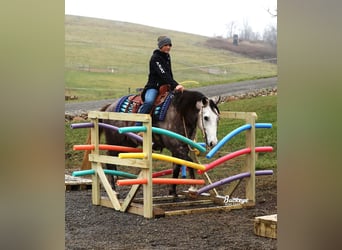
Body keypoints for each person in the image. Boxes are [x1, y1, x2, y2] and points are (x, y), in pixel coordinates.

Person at [136, 36, 184, 126]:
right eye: (166, 45)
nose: (168, 47)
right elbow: (163, 74)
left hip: (166, 86)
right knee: (149, 102)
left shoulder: (167, 57)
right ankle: (137, 125)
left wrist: (173, 86)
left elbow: (169, 74)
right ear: (161, 46)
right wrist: (176, 84)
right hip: (153, 87)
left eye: (170, 45)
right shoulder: (155, 58)